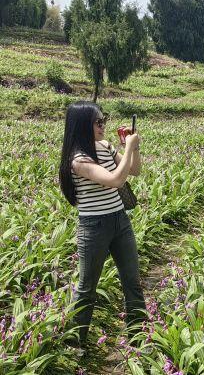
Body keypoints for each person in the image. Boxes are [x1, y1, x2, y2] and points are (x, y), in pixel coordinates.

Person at [58, 100, 145, 348]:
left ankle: (139, 338)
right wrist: (128, 148)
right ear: (83, 126)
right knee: (87, 289)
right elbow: (116, 180)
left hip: (120, 221)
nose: (103, 125)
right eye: (98, 122)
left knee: (133, 281)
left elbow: (135, 170)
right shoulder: (78, 160)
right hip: (93, 227)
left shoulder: (105, 146)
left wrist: (134, 148)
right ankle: (76, 345)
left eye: (103, 120)